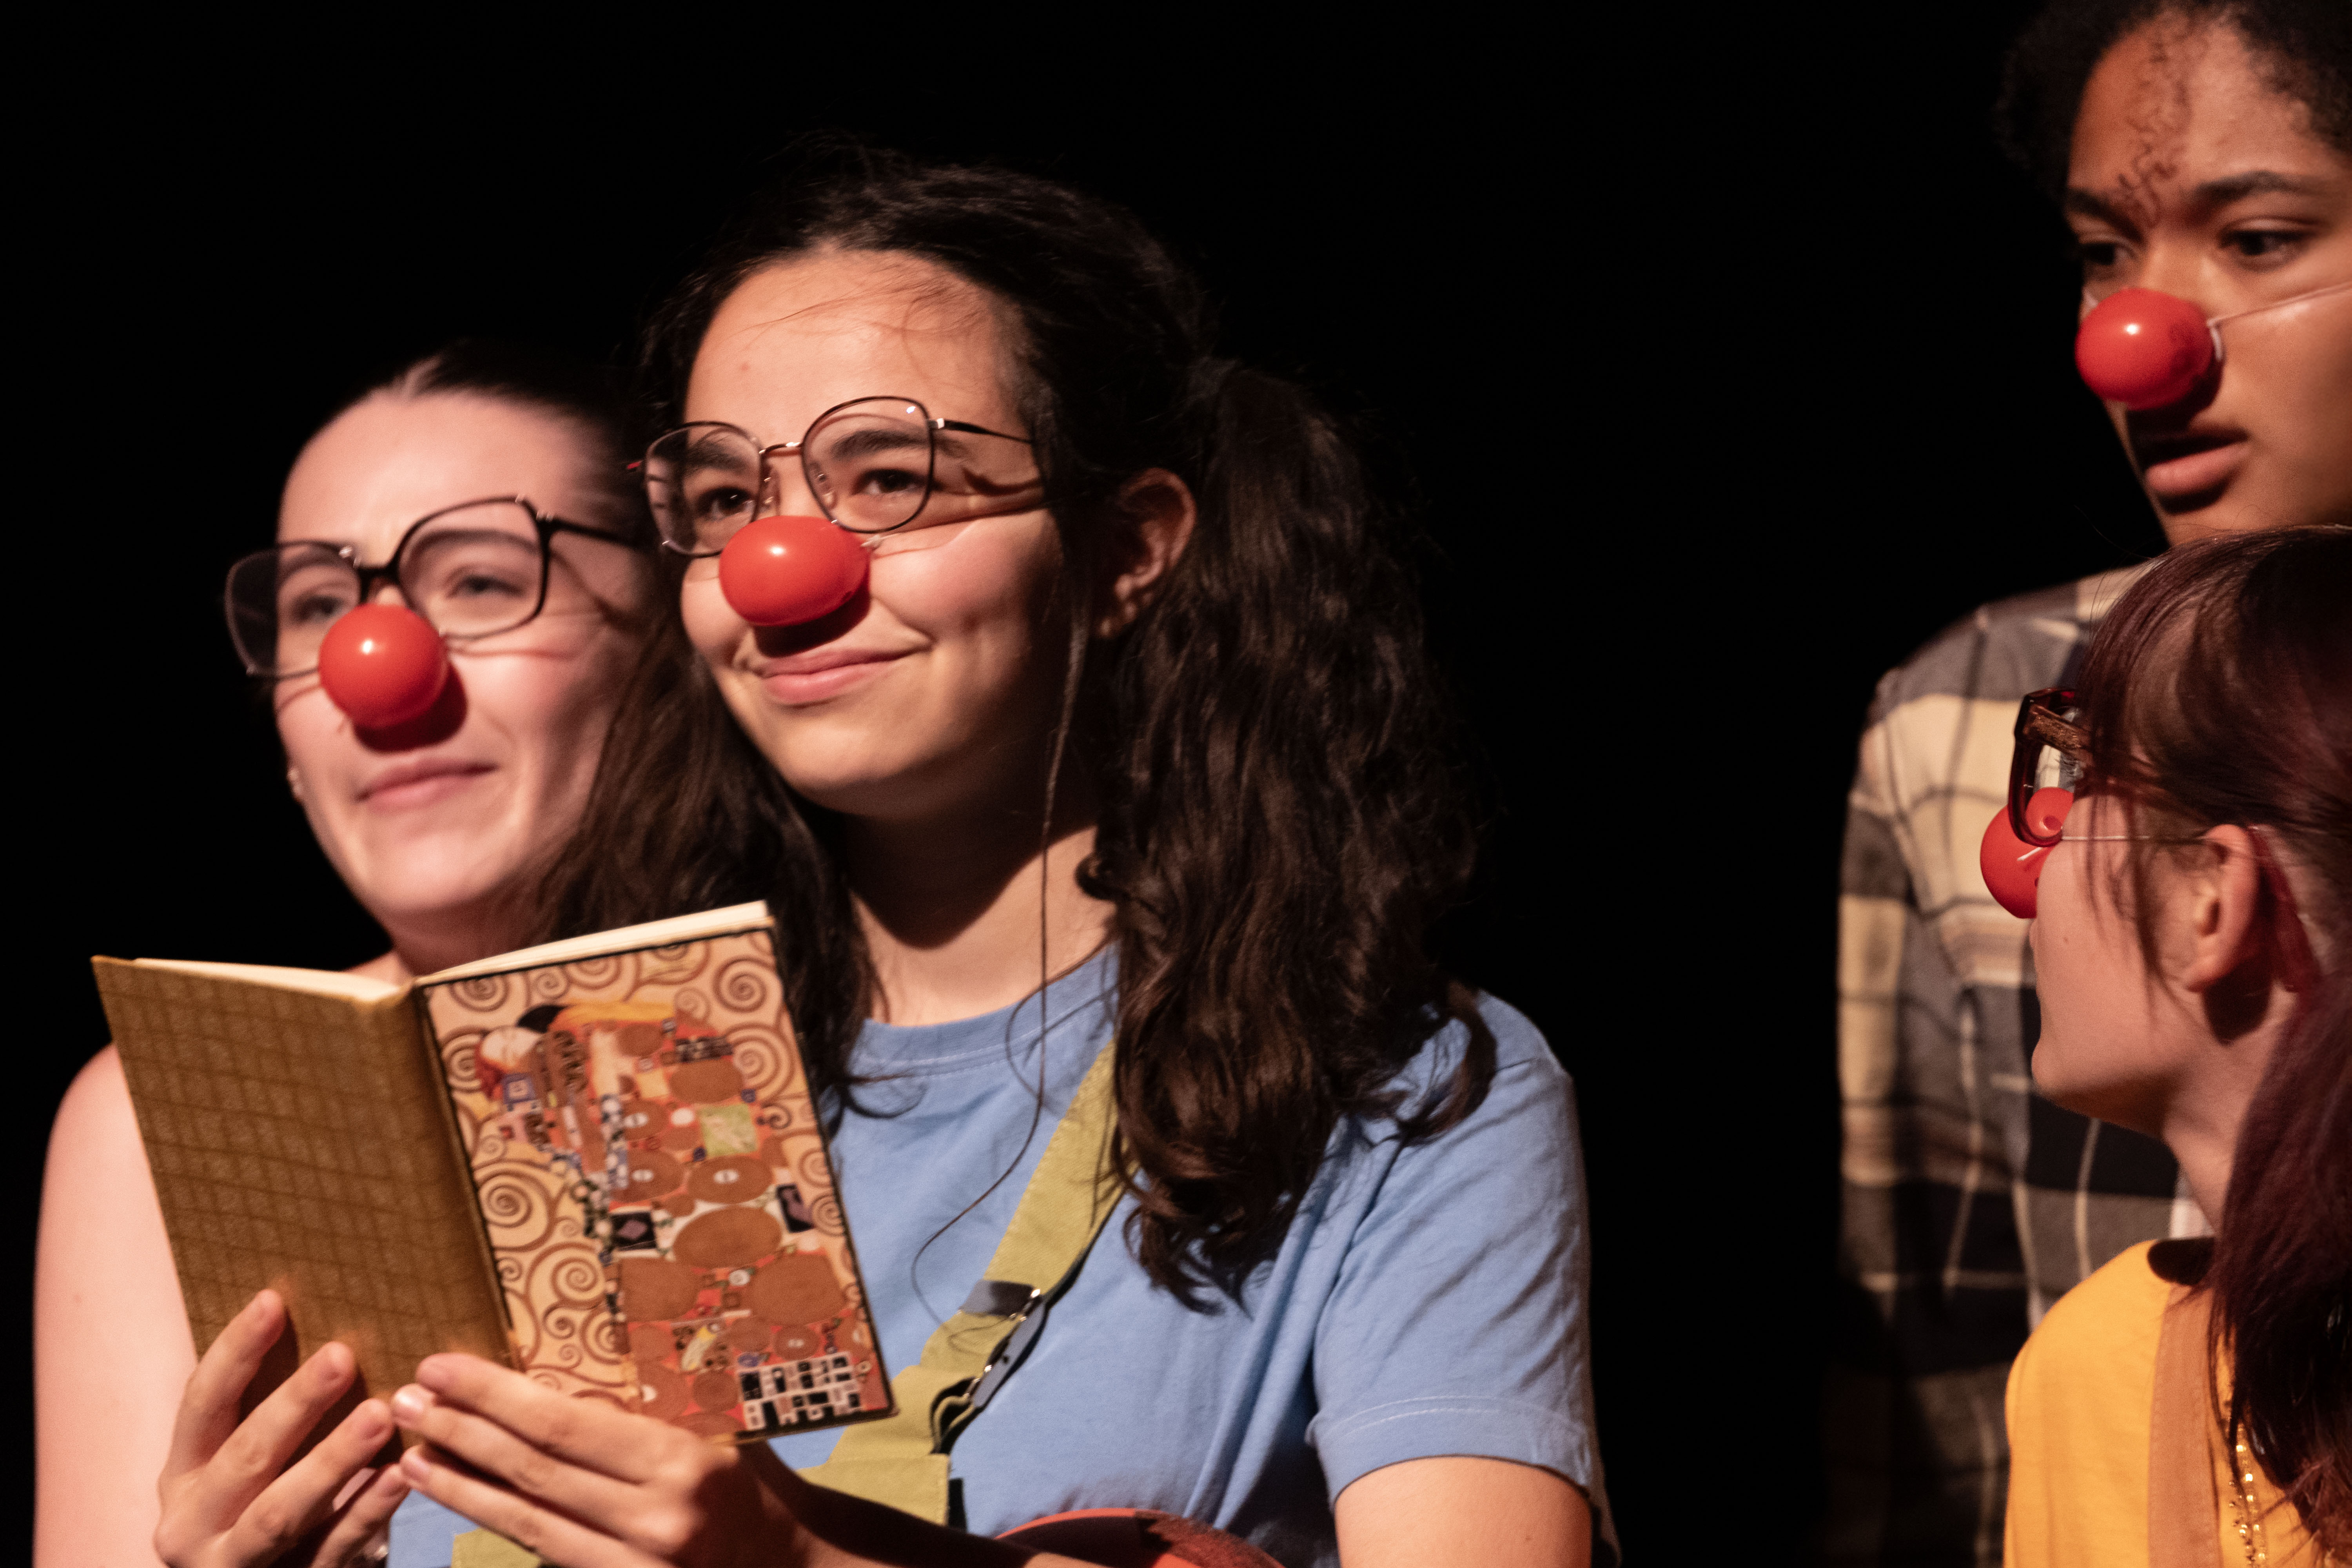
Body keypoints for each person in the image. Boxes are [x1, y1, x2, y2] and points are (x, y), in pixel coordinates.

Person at [376, 152, 1612, 1568]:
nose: (781, 570)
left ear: (1127, 549)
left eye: (889, 479)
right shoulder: (593, 1069)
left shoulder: (1396, 1103)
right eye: (723, 502)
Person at [1827, 2, 2352, 1558]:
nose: (2138, 338)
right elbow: (1925, 1380)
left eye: (2257, 241)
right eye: (2104, 253)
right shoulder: (1965, 718)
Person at [34, 341, 659, 1568]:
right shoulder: (155, 1116)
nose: (378, 669)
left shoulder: (880, 1017)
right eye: (320, 608)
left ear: (674, 638)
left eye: (480, 581)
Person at [1996, 525, 2349, 1565]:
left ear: (2214, 900)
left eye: (2082, 780)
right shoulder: (2092, 1375)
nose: (2023, 865)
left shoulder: (2101, 1377)